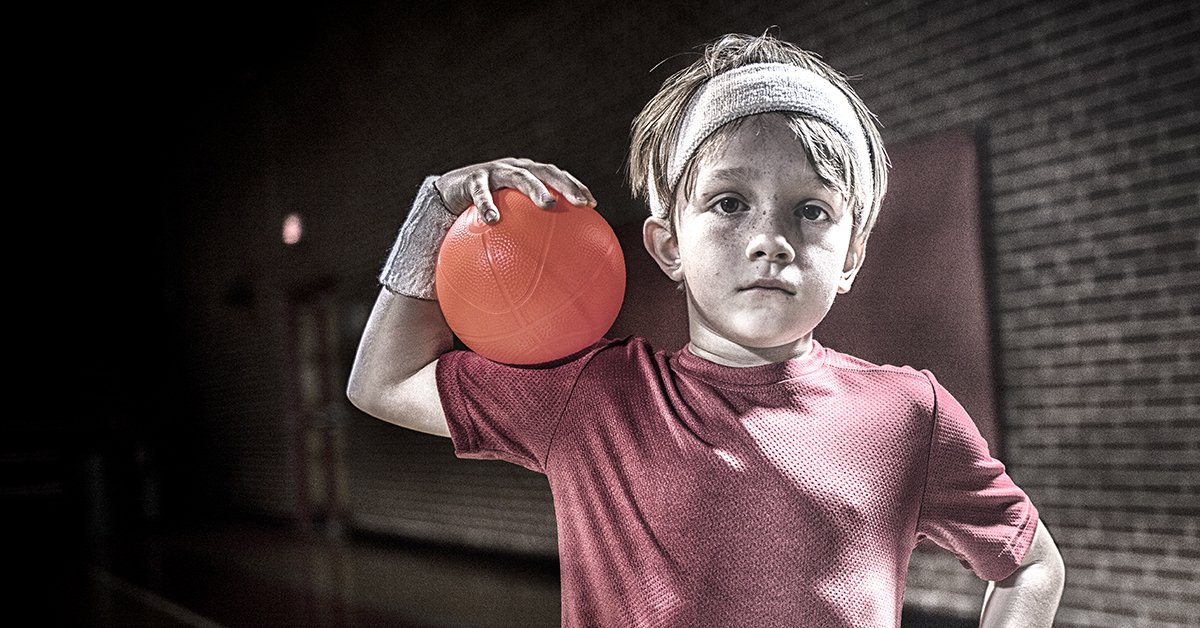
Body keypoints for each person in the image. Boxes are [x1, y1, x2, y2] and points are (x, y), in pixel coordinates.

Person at [347, 31, 1065, 628]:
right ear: (668, 247)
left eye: (810, 210)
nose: (769, 239)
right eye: (728, 202)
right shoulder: (595, 398)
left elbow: (1031, 563)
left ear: (850, 254)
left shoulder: (910, 414)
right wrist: (438, 210)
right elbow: (382, 381)